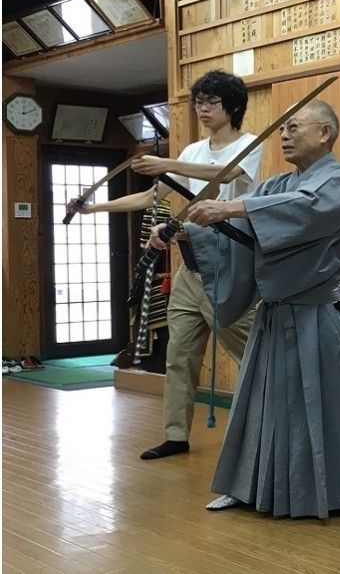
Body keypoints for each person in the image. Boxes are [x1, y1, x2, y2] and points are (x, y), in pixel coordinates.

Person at [150, 100, 340, 519]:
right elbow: (238, 232)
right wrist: (185, 233)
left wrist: (230, 207)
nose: (284, 135)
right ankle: (248, 486)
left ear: (325, 133)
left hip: (324, 311)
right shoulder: (274, 186)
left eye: (294, 127)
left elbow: (307, 209)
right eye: (282, 128)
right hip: (276, 312)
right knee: (262, 401)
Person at [67, 70, 262, 460]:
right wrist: (94, 208)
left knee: (251, 353)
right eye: (199, 102)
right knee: (179, 356)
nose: (203, 109)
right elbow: (152, 195)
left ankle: (261, 431)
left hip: (230, 265)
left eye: (212, 102)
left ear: (233, 106)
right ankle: (175, 435)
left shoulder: (248, 144)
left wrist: (166, 163)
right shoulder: (190, 151)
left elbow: (225, 174)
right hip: (190, 264)